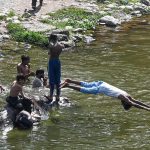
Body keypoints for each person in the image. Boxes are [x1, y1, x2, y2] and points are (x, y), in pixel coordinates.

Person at [60, 79, 150, 111]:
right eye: (124, 104)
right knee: (86, 90)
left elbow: (136, 101)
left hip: (103, 84)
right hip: (102, 88)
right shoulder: (123, 97)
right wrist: (147, 109)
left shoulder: (127, 95)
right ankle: (68, 85)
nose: (122, 104)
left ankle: (70, 80)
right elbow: (134, 103)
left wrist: (148, 106)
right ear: (125, 103)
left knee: (87, 84)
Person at [47, 34, 65, 104]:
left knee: (51, 79)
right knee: (58, 80)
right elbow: (62, 47)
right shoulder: (60, 45)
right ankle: (58, 96)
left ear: (51, 38)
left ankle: (51, 96)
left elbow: (49, 51)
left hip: (52, 62)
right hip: (58, 61)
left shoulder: (51, 45)